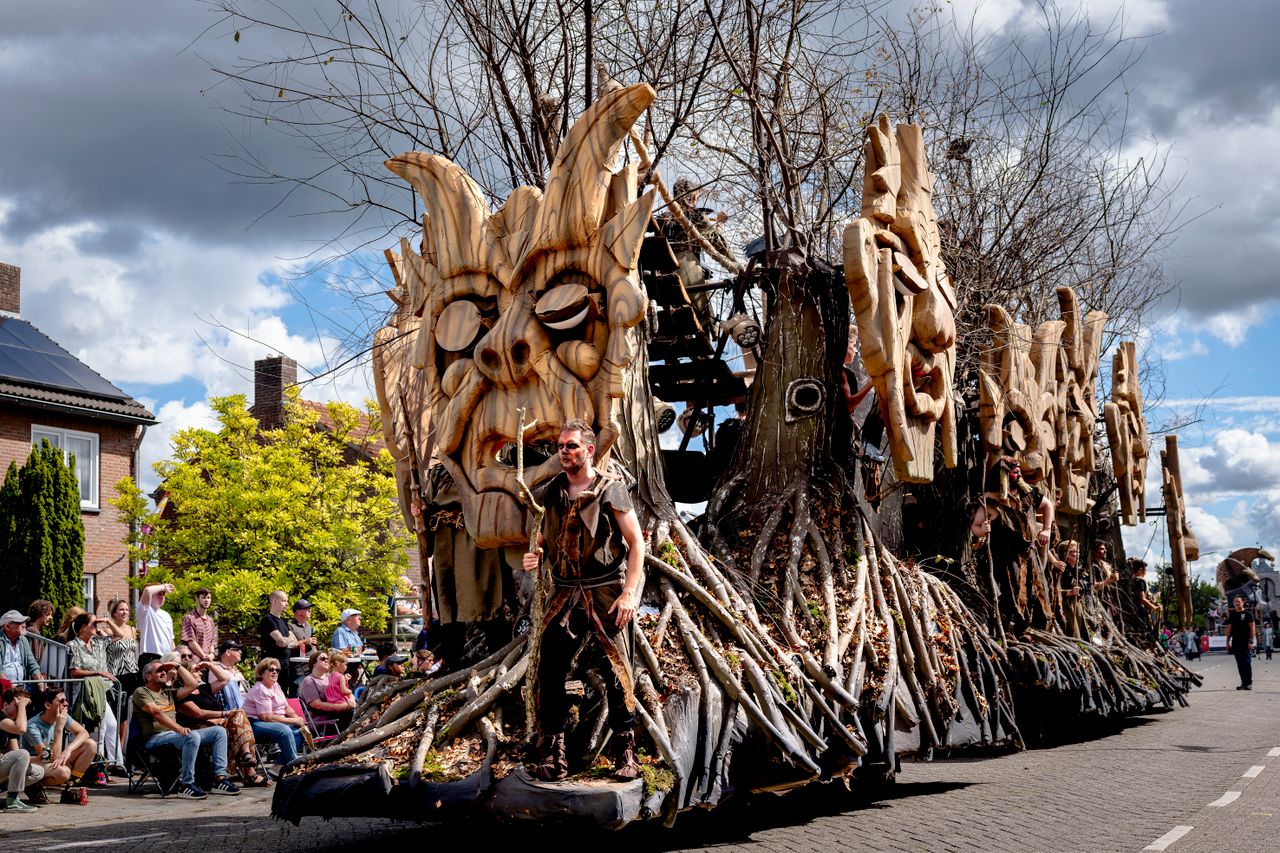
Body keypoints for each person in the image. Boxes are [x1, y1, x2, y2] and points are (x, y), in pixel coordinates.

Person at [521, 419, 645, 781]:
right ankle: (553, 755)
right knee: (550, 670)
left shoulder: (611, 489)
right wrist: (534, 555)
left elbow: (636, 543)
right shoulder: (552, 492)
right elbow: (542, 539)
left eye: (571, 445)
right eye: (560, 446)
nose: (564, 451)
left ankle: (626, 754)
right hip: (563, 594)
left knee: (617, 670)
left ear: (589, 450)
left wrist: (629, 593)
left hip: (605, 590)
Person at [131, 658, 240, 799]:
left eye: (164, 670)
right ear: (148, 676)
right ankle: (186, 784)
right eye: (159, 671)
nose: (164, 673)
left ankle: (220, 779)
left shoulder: (168, 693)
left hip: (174, 735)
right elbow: (156, 713)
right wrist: (178, 728)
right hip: (155, 738)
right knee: (191, 736)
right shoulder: (142, 691)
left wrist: (177, 666)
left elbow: (193, 684)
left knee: (218, 732)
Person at [173, 647, 267, 787]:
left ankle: (246, 757)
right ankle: (249, 771)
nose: (200, 673)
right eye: (196, 671)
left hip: (219, 723)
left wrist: (210, 665)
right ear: (185, 675)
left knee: (239, 717)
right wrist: (224, 714)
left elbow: (225, 679)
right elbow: (199, 713)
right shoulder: (181, 695)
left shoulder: (204, 689)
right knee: (237, 722)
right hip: (199, 727)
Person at [66, 613, 122, 770]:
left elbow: (119, 635)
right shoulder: (74, 645)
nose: (97, 626)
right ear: (84, 627)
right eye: (94, 624)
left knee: (112, 725)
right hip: (85, 693)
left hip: (100, 692)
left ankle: (116, 763)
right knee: (99, 730)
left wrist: (108, 621)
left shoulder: (98, 642)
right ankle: (99, 768)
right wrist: (98, 673)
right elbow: (74, 671)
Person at [23, 686, 97, 794]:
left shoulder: (62, 716)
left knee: (91, 745)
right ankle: (34, 786)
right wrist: (59, 728)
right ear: (48, 705)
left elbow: (84, 733)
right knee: (63, 772)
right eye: (62, 701)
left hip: (54, 759)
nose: (66, 704)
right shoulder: (32, 726)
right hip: (37, 764)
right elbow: (49, 758)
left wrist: (68, 749)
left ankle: (69, 786)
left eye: (66, 700)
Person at [241, 657, 306, 770]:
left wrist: (297, 719)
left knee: (299, 731)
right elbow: (265, 716)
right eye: (271, 669)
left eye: (277, 670)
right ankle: (295, 766)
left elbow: (286, 707)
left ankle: (278, 766)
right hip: (254, 723)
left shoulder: (276, 686)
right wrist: (292, 720)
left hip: (272, 722)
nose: (275, 672)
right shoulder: (260, 688)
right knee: (284, 731)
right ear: (262, 673)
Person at [0, 686, 45, 811]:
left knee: (38, 771)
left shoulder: (11, 725)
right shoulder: (1, 717)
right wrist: (22, 705)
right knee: (23, 753)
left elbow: (16, 755)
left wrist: (38, 758)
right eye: (17, 704)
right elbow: (21, 729)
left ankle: (5, 790)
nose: (21, 708)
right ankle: (12, 801)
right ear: (5, 704)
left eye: (24, 706)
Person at [297, 650, 354, 731]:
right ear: (313, 663)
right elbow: (317, 705)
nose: (327, 660)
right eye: (323, 658)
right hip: (321, 720)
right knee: (350, 713)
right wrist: (340, 707)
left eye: (328, 658)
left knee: (354, 712)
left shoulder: (331, 676)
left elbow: (344, 690)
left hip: (336, 715)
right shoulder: (309, 681)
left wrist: (352, 699)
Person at [259, 590, 311, 666]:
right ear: (274, 601)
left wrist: (286, 641)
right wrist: (288, 641)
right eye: (284, 601)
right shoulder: (268, 619)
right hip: (272, 666)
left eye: (287, 601)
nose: (287, 604)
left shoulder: (283, 622)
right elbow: (282, 641)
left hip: (285, 664)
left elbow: (295, 642)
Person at [137, 582, 176, 668]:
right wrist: (164, 586)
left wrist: (174, 657)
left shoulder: (166, 615)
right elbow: (147, 590)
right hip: (150, 658)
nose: (162, 596)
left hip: (166, 658)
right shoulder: (145, 611)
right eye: (159, 594)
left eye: (163, 594)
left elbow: (171, 640)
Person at [1, 611, 43, 687]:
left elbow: (32, 663)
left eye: (24, 622)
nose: (24, 625)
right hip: (4, 688)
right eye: (19, 622)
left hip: (21, 686)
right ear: (7, 626)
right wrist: (9, 688)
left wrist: (40, 681)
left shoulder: (23, 640)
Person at [206, 639, 251, 711]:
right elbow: (215, 694)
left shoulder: (238, 672)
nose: (240, 652)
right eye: (237, 650)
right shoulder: (217, 670)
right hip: (229, 711)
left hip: (245, 710)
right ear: (228, 652)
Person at [285, 599, 316, 690]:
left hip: (311, 667)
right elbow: (289, 645)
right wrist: (305, 641)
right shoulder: (289, 626)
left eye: (309, 608)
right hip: (298, 670)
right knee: (297, 694)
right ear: (298, 612)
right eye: (306, 609)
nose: (310, 610)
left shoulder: (309, 626)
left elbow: (313, 646)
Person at [1226, 595, 1255, 690]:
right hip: (1236, 643)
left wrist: (1251, 641)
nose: (1237, 603)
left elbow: (1252, 628)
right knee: (1240, 663)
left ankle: (1249, 683)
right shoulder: (1232, 615)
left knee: (1246, 662)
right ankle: (1243, 683)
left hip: (1245, 642)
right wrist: (1227, 641)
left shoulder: (1248, 614)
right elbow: (1229, 629)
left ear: (1243, 602)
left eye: (1238, 601)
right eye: (1235, 601)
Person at [181, 587, 217, 663]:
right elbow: (191, 642)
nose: (206, 600)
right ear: (197, 599)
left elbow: (213, 642)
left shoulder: (210, 621)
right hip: (194, 662)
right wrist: (203, 656)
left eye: (208, 598)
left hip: (208, 661)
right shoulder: (189, 618)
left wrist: (212, 654)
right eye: (203, 597)